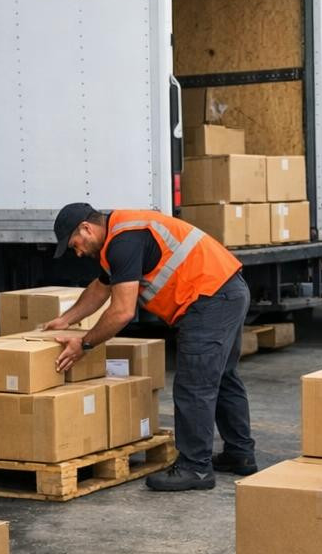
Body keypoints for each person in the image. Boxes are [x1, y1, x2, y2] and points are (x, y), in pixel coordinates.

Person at [44, 202, 255, 492]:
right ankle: (240, 454)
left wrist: (85, 344)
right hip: (226, 290)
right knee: (222, 377)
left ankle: (196, 468)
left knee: (194, 385)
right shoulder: (121, 234)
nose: (77, 251)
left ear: (86, 228)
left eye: (75, 244)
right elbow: (100, 288)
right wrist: (64, 319)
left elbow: (122, 312)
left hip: (209, 299)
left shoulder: (123, 241)